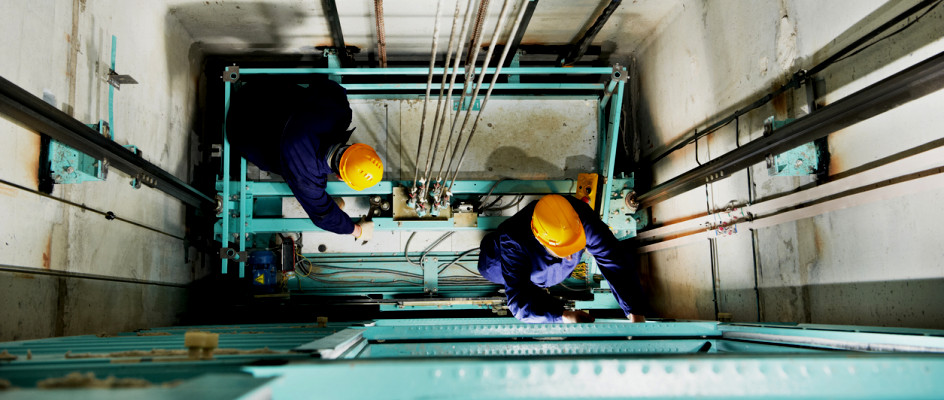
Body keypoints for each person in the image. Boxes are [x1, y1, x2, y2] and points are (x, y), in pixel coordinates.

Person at [225, 78, 382, 241]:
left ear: (356, 146)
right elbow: (324, 216)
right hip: (238, 131)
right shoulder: (307, 177)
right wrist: (358, 231)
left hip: (255, 91)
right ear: (340, 177)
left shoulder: (340, 112)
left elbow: (324, 84)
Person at [478, 194, 646, 323]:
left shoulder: (579, 217)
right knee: (489, 267)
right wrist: (563, 316)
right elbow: (519, 303)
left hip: (546, 270)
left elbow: (614, 260)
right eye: (565, 251)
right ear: (540, 239)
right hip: (500, 261)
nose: (571, 256)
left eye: (574, 246)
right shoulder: (513, 240)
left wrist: (635, 311)